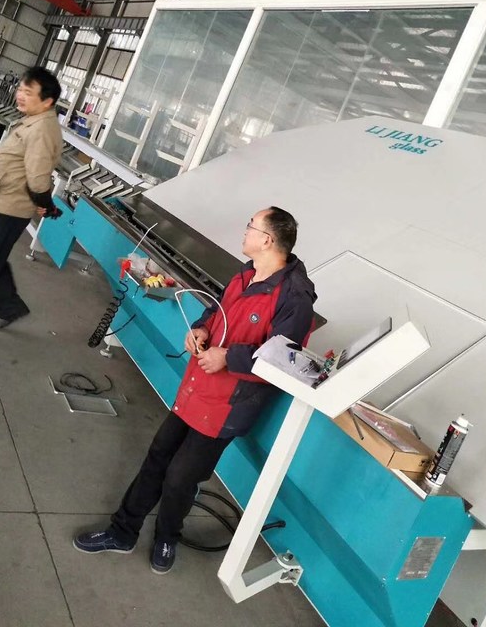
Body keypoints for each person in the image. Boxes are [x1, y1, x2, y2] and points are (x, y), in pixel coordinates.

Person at [74, 206, 317, 574]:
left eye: (250, 226)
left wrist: (228, 358)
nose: (245, 231)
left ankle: (167, 538)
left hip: (228, 406)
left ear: (267, 240)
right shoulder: (246, 274)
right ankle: (122, 532)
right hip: (196, 388)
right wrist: (202, 328)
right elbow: (219, 312)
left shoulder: (295, 298)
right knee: (158, 456)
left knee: (181, 477)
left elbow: (282, 362)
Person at [0, 66, 63, 334]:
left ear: (47, 101)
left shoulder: (42, 129)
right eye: (20, 89)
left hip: (7, 208)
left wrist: (46, 203)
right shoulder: (34, 121)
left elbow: (38, 179)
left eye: (28, 92)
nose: (20, 95)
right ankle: (10, 308)